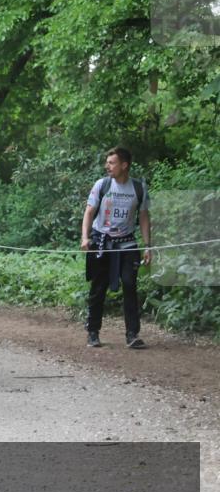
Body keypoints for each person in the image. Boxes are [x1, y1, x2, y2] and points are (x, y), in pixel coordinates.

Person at [80, 146, 152, 349]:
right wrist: (85, 238)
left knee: (130, 284)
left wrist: (148, 246)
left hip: (127, 243)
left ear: (124, 165)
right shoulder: (102, 185)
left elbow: (144, 217)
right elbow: (89, 212)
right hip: (101, 241)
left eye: (111, 162)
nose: (107, 166)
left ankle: (132, 334)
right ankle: (93, 332)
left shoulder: (138, 188)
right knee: (98, 287)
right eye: (107, 162)